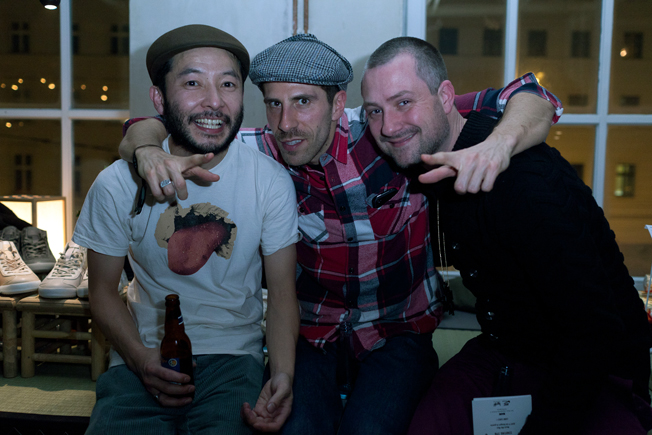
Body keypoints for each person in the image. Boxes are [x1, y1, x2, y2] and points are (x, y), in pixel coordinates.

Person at [119, 34, 562, 434]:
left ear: (337, 106)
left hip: (399, 330)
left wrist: (498, 145)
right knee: (295, 427)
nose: (286, 122)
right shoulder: (263, 152)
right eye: (274, 104)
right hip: (314, 335)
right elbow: (163, 123)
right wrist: (146, 148)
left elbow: (532, 95)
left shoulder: (389, 129)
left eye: (303, 102)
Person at [361, 36, 652, 435]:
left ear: (445, 97)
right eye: (374, 111)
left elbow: (596, 332)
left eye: (404, 102)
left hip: (597, 368)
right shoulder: (429, 150)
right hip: (506, 352)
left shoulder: (527, 183)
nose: (388, 126)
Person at [72, 24, 301, 434]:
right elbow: (102, 292)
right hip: (142, 354)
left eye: (228, 84)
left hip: (234, 359)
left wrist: (282, 373)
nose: (214, 100)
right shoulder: (118, 183)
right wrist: (140, 359)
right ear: (159, 98)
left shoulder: (269, 180)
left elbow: (283, 294)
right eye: (193, 83)